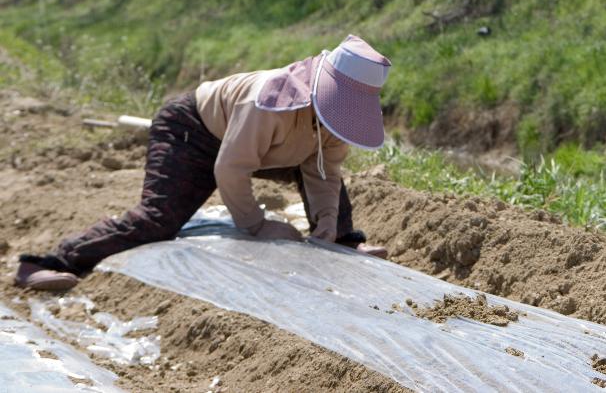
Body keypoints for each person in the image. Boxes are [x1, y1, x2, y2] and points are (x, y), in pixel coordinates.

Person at [13, 35, 391, 292]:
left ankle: (343, 239)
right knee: (159, 218)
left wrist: (327, 226)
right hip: (193, 130)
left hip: (263, 146)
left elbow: (323, 170)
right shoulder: (270, 101)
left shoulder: (337, 122)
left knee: (320, 175)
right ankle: (48, 263)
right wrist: (257, 226)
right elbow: (231, 167)